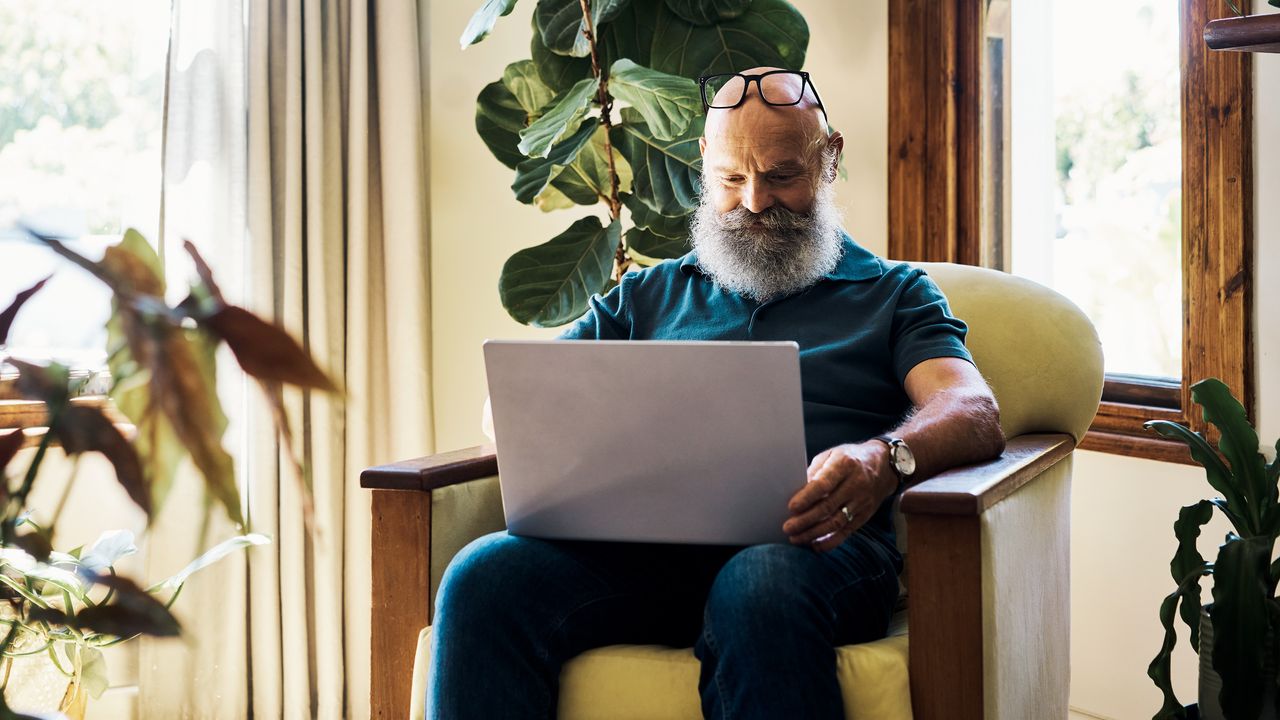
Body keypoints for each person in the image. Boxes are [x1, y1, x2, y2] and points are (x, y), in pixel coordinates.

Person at [427, 67, 1006, 719]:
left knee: (754, 583)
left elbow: (972, 411)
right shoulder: (645, 296)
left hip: (815, 554)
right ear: (704, 163)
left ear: (830, 157)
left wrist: (882, 457)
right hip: (646, 561)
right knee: (484, 576)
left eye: (782, 174)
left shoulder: (894, 293)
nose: (755, 201)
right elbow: (522, 404)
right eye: (731, 178)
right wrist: (518, 425)